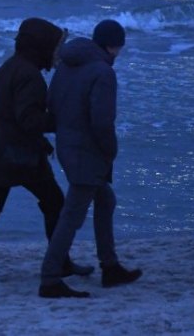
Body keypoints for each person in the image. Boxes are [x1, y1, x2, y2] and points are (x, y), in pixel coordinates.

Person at [0, 17, 93, 286]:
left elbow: (3, 109)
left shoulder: (10, 66)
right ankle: (60, 262)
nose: (56, 54)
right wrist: (62, 120)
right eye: (53, 47)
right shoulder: (30, 76)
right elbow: (28, 120)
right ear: (40, 47)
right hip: (17, 154)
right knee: (54, 204)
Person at [38, 19, 143, 298]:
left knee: (105, 200)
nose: (119, 53)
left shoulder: (66, 65)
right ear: (112, 46)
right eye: (119, 47)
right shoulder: (103, 73)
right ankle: (49, 278)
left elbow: (52, 105)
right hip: (88, 152)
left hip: (67, 148)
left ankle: (110, 267)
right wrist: (110, 151)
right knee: (72, 215)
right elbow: (102, 122)